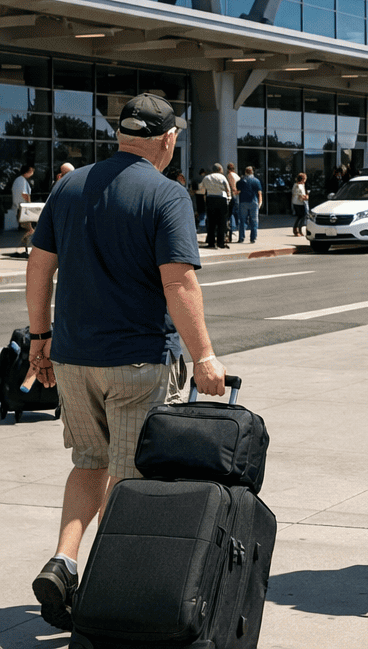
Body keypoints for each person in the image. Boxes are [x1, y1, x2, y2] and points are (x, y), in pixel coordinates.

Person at [25, 93, 226, 631]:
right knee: (134, 477)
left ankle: (64, 560)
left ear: (121, 135)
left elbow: (39, 267)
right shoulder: (166, 195)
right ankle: (112, 584)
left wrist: (39, 338)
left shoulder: (68, 186)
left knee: (88, 463)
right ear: (168, 139)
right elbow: (178, 281)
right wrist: (205, 356)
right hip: (138, 362)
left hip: (72, 360)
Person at [199, 163, 231, 249]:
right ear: (220, 169)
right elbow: (228, 189)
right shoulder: (222, 177)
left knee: (211, 222)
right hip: (221, 199)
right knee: (222, 222)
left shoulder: (207, 178)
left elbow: (202, 188)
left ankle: (211, 242)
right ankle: (221, 243)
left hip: (211, 199)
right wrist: (229, 198)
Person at [236, 166, 263, 243]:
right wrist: (260, 202)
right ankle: (253, 238)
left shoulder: (241, 181)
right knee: (254, 221)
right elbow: (259, 193)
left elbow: (238, 191)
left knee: (242, 220)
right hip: (253, 202)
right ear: (252, 172)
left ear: (245, 172)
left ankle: (241, 237)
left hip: (243, 202)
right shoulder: (256, 181)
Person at [12, 163, 35, 257]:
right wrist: (29, 205)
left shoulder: (18, 180)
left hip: (19, 208)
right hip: (23, 209)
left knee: (27, 230)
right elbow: (24, 194)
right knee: (30, 230)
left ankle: (23, 248)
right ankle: (21, 247)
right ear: (29, 171)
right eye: (32, 171)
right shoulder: (22, 181)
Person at [225, 162, 241, 243]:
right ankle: (237, 232)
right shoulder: (236, 175)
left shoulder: (230, 175)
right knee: (236, 215)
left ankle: (232, 232)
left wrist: (234, 192)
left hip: (232, 197)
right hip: (237, 197)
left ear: (228, 169)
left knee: (231, 215)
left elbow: (232, 186)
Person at [291, 172, 309, 236]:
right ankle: (297, 230)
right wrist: (305, 197)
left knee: (301, 216)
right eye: (305, 178)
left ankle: (298, 229)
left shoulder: (298, 185)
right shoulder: (298, 186)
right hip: (299, 203)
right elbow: (299, 196)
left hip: (297, 203)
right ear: (303, 179)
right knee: (301, 216)